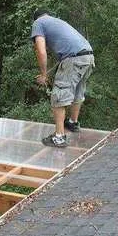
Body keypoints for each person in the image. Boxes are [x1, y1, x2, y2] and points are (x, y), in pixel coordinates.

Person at [31, 9, 95, 147]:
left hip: (73, 58)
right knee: (77, 90)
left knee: (58, 95)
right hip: (88, 56)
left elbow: (40, 51)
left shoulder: (38, 23)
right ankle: (73, 123)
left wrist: (43, 75)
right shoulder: (57, 21)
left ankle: (59, 137)